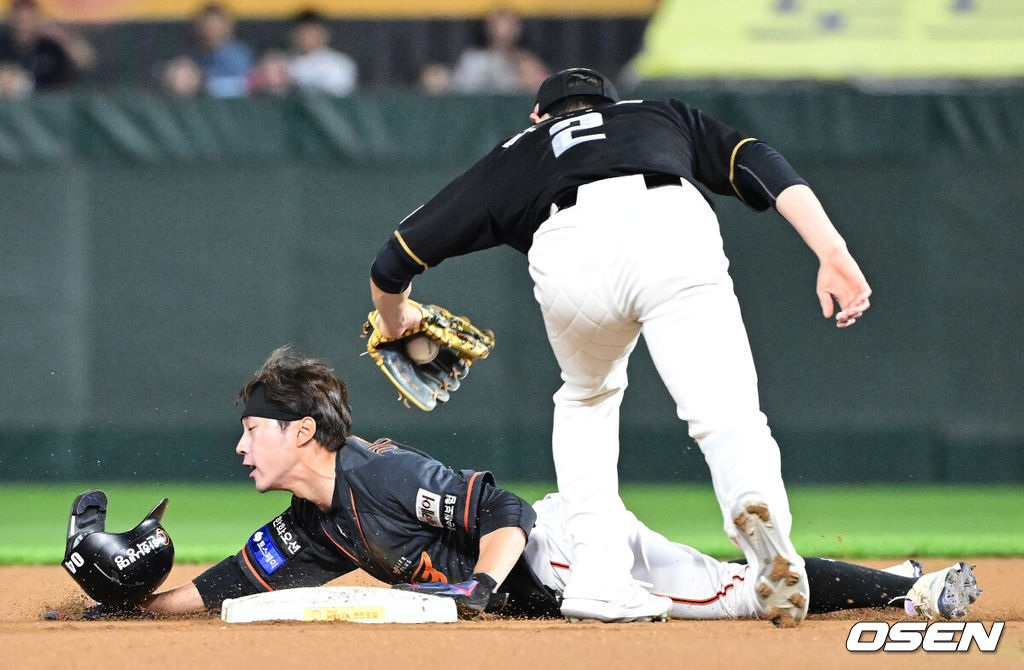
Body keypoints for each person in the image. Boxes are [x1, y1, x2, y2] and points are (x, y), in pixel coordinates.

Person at [367, 67, 873, 624]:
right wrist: (831, 249)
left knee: (585, 397)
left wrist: (397, 320)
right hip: (670, 226)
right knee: (725, 410)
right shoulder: (659, 113)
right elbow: (759, 160)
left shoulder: (518, 150)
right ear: (612, 102)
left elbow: (393, 260)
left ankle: (599, 579)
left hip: (566, 246)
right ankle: (754, 507)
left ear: (538, 116)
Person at [108, 348, 978, 624]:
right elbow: (210, 595)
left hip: (565, 558)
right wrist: (119, 590)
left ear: (301, 431)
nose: (239, 444)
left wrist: (481, 583)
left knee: (748, 599)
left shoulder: (385, 476)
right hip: (552, 575)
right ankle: (902, 578)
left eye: (252, 427)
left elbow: (505, 512)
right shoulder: (311, 528)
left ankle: (917, 591)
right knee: (741, 589)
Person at [0, 0, 94, 90]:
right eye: (20, 20)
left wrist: (59, 35)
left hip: (52, 101)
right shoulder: (4, 45)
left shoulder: (50, 46)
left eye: (29, 19)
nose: (24, 25)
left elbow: (85, 62)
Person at [449, 9, 548, 93]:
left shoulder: (528, 62)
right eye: (499, 25)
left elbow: (545, 88)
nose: (504, 30)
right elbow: (459, 87)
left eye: (509, 24)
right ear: (488, 28)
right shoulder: (475, 60)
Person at [287, 9, 357, 96]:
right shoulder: (286, 63)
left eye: (311, 32)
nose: (305, 37)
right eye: (302, 32)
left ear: (322, 34)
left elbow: (341, 98)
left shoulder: (338, 64)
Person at [191, 3, 253, 98]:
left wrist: (206, 84)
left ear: (227, 26)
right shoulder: (196, 56)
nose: (211, 31)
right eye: (207, 26)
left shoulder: (239, 56)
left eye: (215, 25)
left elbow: (244, 85)